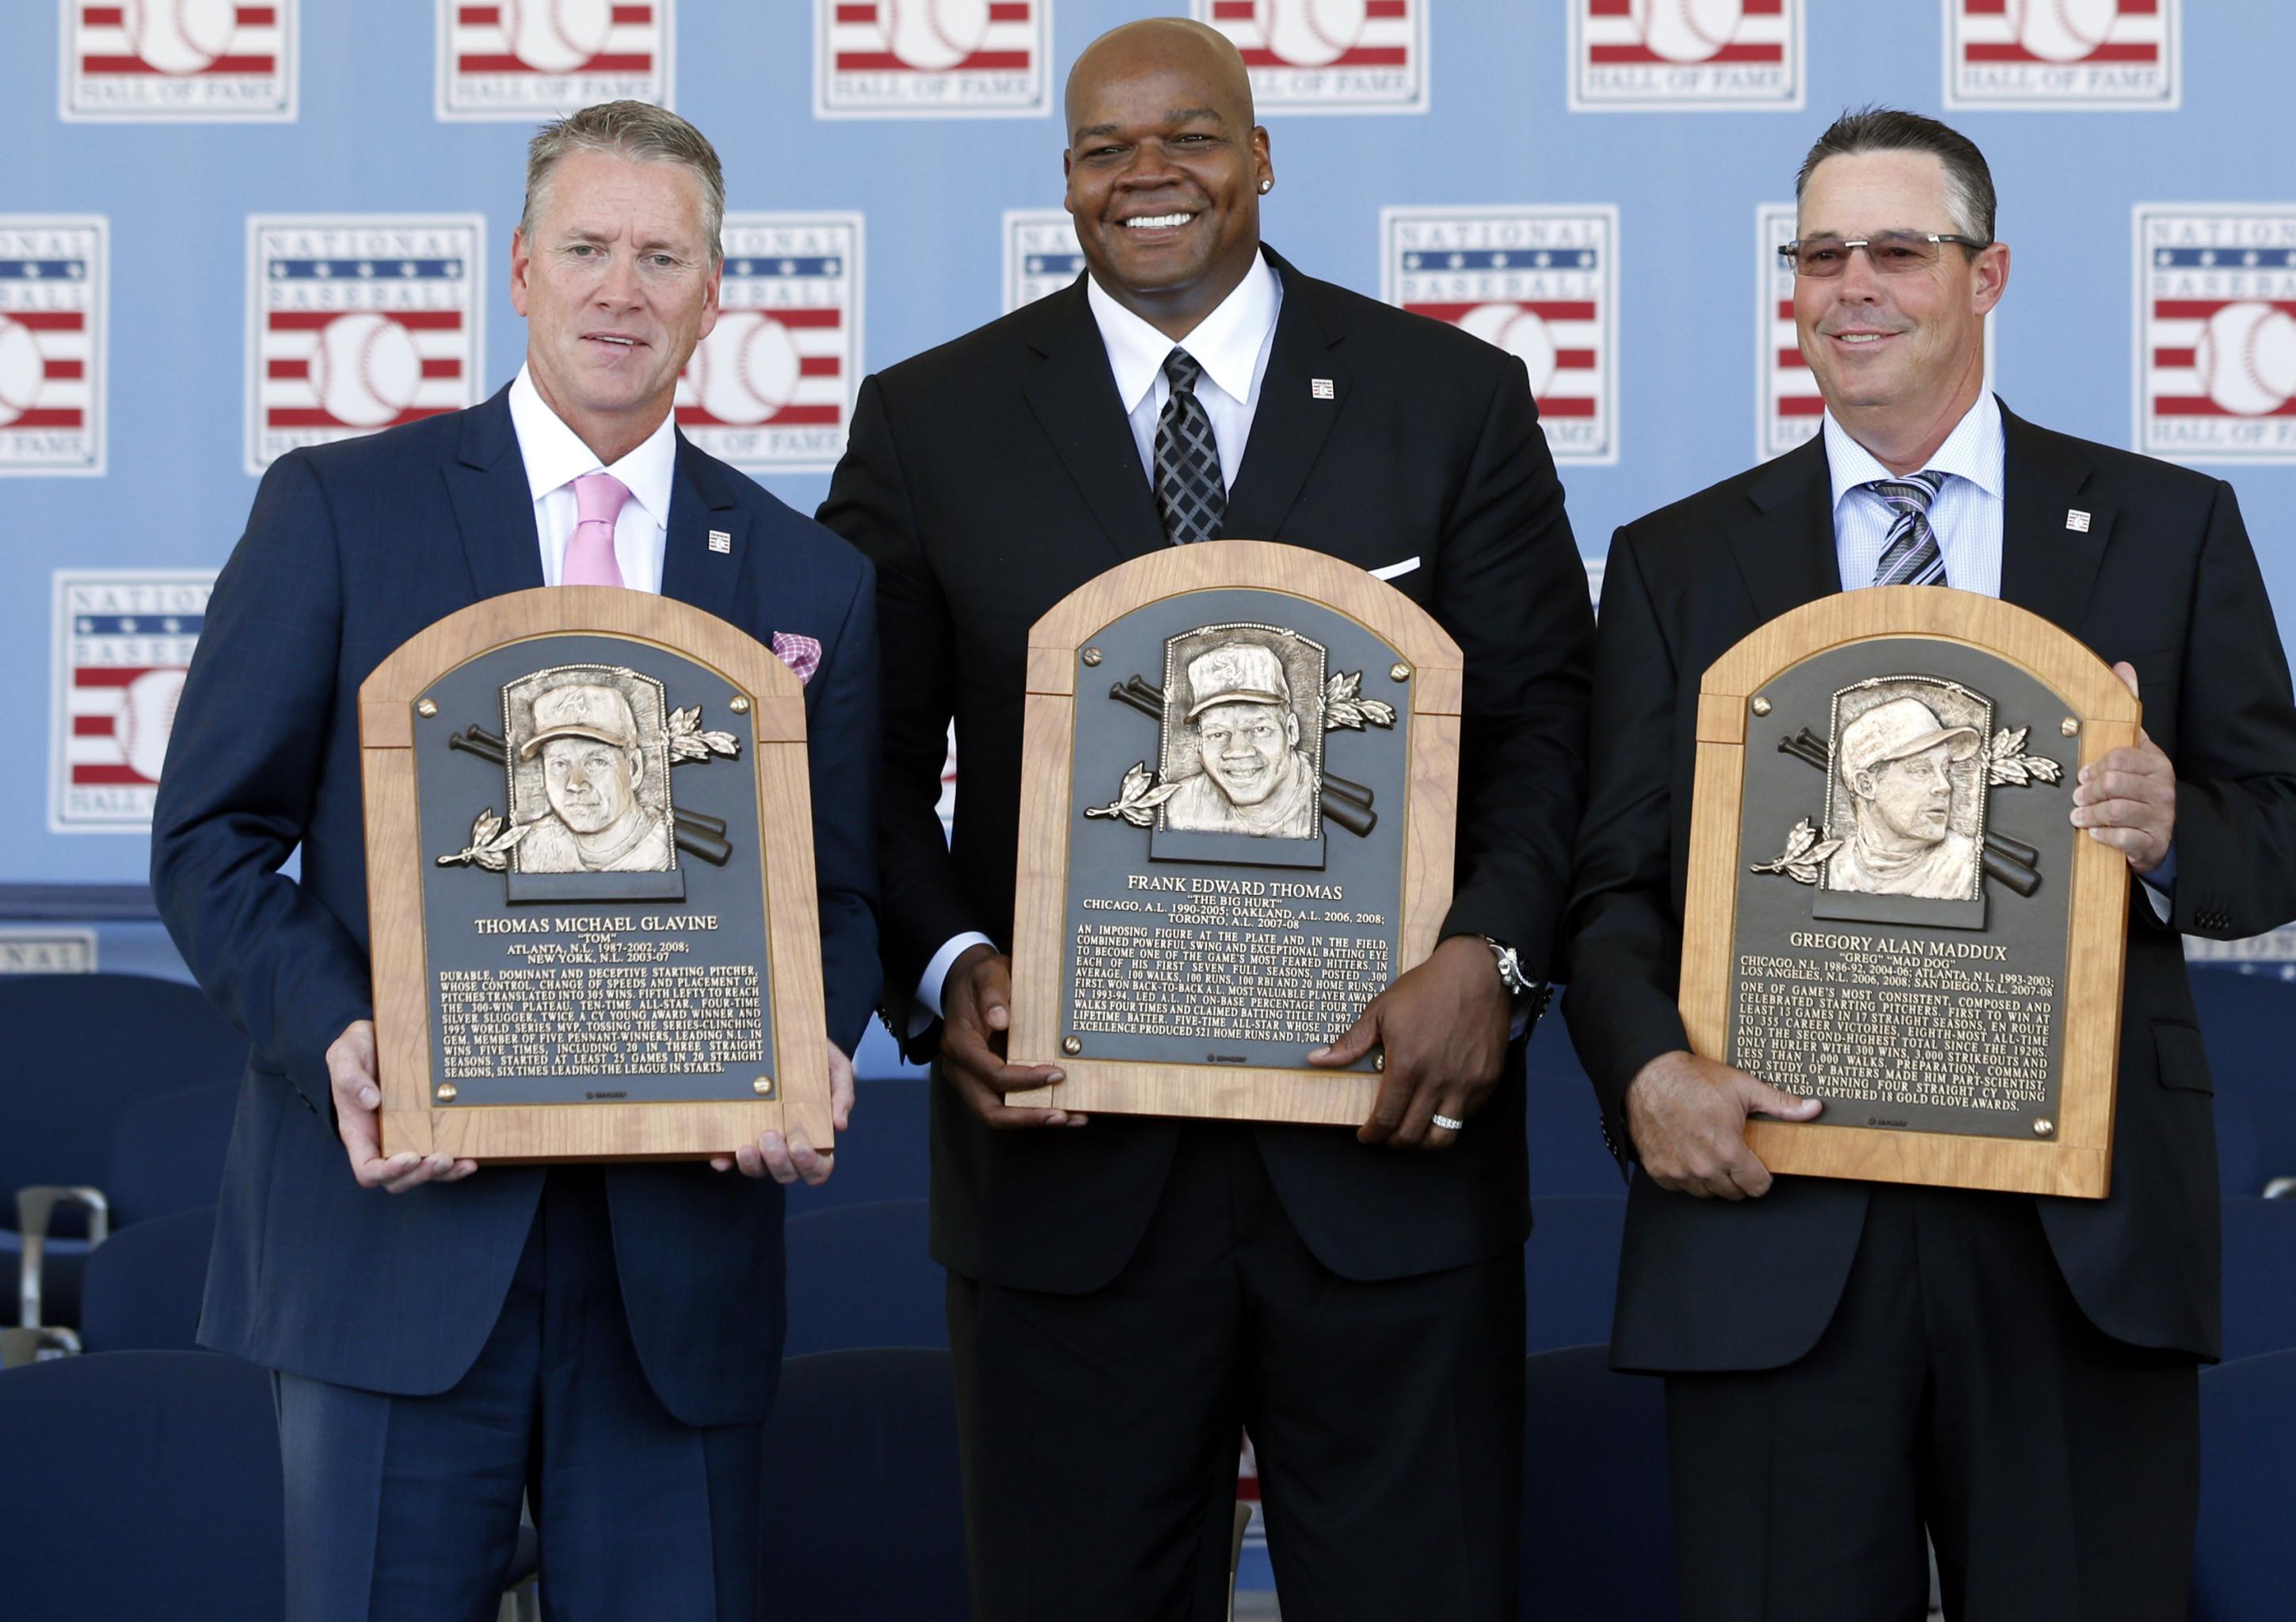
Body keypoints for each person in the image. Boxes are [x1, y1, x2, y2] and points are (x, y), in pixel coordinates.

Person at [817, 18, 1593, 1619]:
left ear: (1261, 156)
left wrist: (1493, 954)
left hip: (1390, 1161)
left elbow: (1548, 723)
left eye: (1190, 137)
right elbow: (861, 762)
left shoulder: (1448, 399)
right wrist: (951, 960)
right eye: (1106, 149)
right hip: (1066, 1179)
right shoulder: (931, 420)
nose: (1148, 175)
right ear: (1067, 182)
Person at [1565, 108, 2296, 1620]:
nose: (1852, 284)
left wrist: (2175, 825)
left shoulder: (2164, 527)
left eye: (1897, 251)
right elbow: (1610, 888)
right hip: (1773, 1225)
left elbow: (2291, 831)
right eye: (1820, 253)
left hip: (2072, 1241)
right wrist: (1646, 1063)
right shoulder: (1674, 559)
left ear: (1984, 276)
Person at [149, 101, 881, 1621]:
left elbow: (847, 895)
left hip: (673, 1279)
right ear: (520, 272)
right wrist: (344, 1037)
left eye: (662, 256)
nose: (623, 287)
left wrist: (808, 1043)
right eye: (589, 248)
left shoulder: (811, 577)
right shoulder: (341, 512)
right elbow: (212, 840)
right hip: (393, 1245)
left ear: (714, 293)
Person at [1822, 695, 1982, 899]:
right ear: (1866, 785)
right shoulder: (1832, 869)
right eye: (1922, 771)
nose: (1945, 786)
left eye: (1946, 771)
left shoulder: (1967, 870)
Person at [516, 681, 677, 874]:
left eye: (596, 762)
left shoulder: (664, 852)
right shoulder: (533, 847)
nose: (575, 784)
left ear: (633, 768)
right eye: (559, 764)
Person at [1164, 639, 1317, 837]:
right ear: (1200, 744)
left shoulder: (1318, 804)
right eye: (1217, 734)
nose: (1237, 751)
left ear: (1291, 731)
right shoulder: (1180, 806)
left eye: (1259, 729)